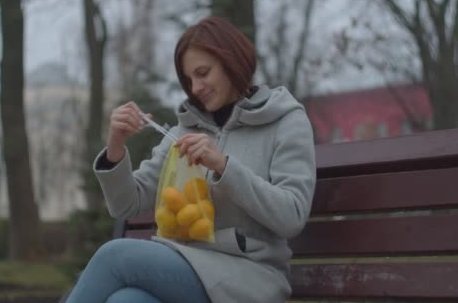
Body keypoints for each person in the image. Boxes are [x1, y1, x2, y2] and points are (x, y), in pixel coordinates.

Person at [66, 16, 316, 303]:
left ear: (231, 61)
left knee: (114, 255)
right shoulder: (184, 130)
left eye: (203, 73)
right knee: (127, 300)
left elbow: (292, 216)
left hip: (249, 277)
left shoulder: (285, 121)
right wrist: (115, 147)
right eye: (188, 79)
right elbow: (128, 204)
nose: (195, 88)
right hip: (184, 265)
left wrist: (223, 165)